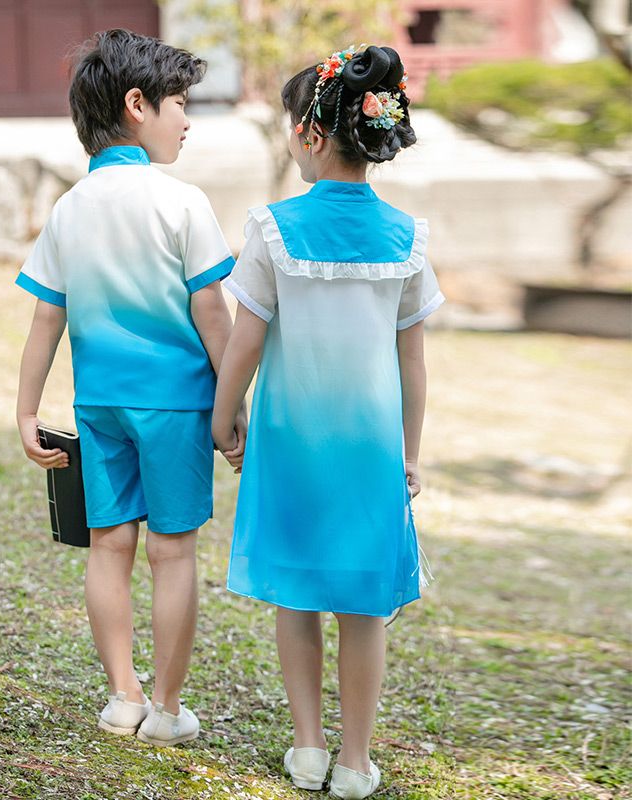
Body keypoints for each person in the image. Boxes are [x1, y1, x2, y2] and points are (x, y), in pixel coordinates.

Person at [212, 44, 444, 799]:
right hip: (372, 450)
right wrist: (409, 454)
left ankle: (306, 747)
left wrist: (226, 415)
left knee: (298, 596)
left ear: (311, 133)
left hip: (291, 445)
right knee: (365, 606)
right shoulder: (407, 237)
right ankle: (354, 761)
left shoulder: (272, 228)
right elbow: (413, 364)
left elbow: (245, 340)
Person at [15, 29, 245, 747]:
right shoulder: (181, 202)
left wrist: (27, 410)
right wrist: (235, 407)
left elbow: (45, 317)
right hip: (176, 404)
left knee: (108, 546)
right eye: (180, 102)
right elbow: (213, 313)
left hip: (99, 405)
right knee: (172, 553)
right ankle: (168, 710)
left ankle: (122, 697)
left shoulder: (69, 207)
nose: (187, 118)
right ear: (137, 104)